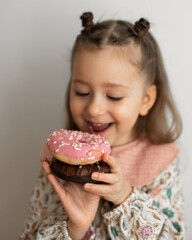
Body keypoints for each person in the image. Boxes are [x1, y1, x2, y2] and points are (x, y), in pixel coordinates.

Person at [19, 12, 185, 239]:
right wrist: (74, 227)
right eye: (82, 92)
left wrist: (124, 197)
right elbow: (29, 234)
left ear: (146, 100)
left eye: (114, 96)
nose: (94, 109)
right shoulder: (57, 159)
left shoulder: (159, 163)